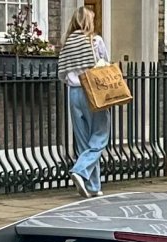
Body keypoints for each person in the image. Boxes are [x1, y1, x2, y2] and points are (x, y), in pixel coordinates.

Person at [58, 7, 110, 198]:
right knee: (100, 136)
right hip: (92, 92)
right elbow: (104, 64)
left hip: (73, 93)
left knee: (82, 140)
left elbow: (62, 73)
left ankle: (93, 186)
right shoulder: (94, 41)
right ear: (88, 21)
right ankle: (80, 171)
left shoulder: (66, 43)